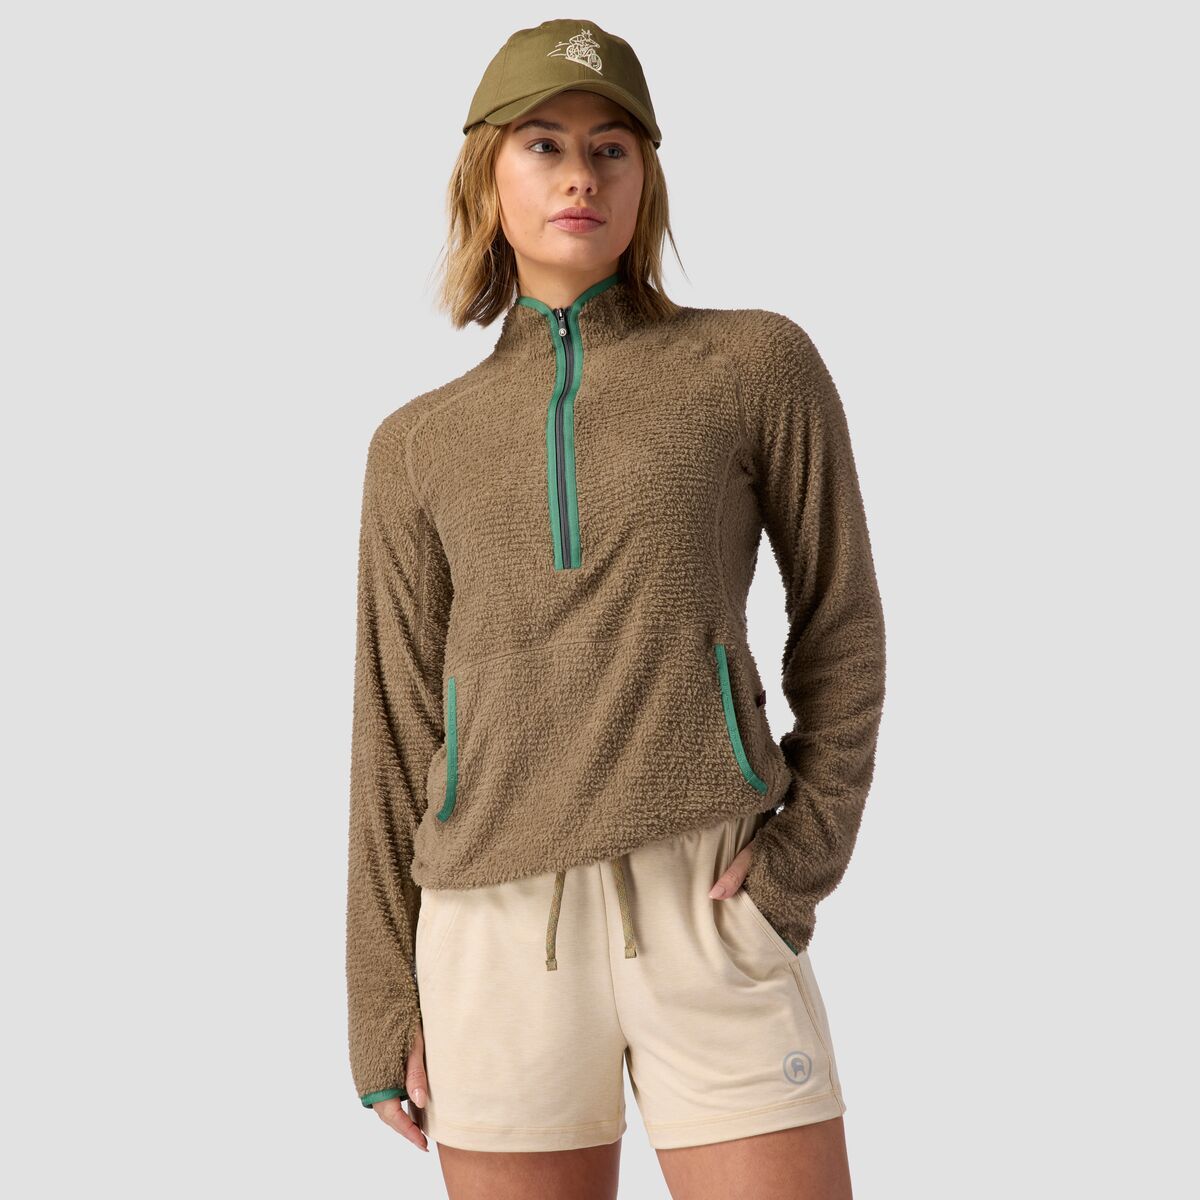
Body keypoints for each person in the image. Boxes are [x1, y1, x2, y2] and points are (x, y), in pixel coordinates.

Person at [345, 18, 886, 1199]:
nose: (581, 176)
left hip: (709, 900)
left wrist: (795, 869)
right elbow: (391, 727)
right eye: (544, 145)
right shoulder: (418, 445)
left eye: (612, 147)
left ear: (647, 174)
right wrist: (382, 999)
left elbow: (841, 624)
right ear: (488, 173)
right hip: (491, 929)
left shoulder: (754, 366)